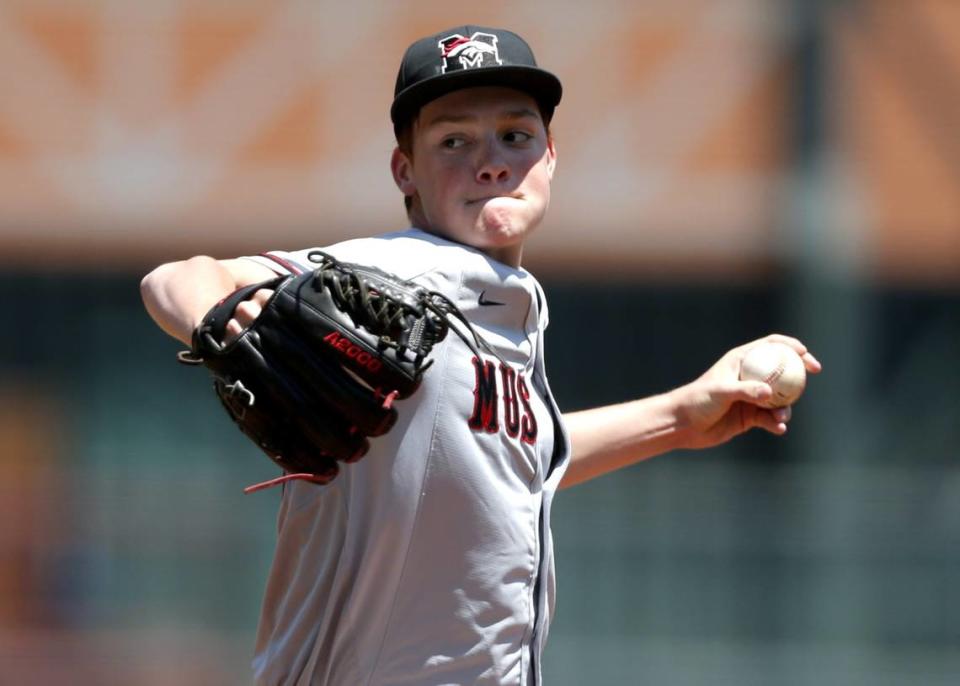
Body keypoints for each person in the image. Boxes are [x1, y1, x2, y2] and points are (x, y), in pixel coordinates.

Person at [140, 25, 821, 686]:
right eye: (454, 140)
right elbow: (175, 277)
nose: (491, 161)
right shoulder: (391, 273)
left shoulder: (512, 311)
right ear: (405, 170)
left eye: (515, 136)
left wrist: (678, 416)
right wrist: (219, 317)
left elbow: (514, 460)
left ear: (550, 155)